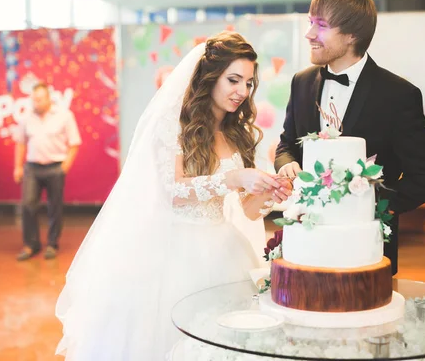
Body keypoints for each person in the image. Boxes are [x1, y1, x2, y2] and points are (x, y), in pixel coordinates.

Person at [55, 32, 291, 360]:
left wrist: (269, 192)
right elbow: (175, 193)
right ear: (210, 77)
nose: (241, 91)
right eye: (233, 80)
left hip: (224, 248)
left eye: (249, 83)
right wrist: (234, 177)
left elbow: (247, 211)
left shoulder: (236, 135)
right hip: (172, 252)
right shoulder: (175, 126)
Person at [274, 0, 425, 276]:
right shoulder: (300, 83)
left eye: (321, 25)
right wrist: (287, 164)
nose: (309, 33)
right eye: (310, 22)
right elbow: (287, 144)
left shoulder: (398, 95)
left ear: (352, 35)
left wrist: (364, 206)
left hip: (368, 251)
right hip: (306, 245)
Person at [14, 83, 81, 261]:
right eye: (34, 99)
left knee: (54, 207)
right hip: (32, 168)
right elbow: (20, 143)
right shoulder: (26, 118)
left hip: (55, 167)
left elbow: (74, 143)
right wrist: (18, 166)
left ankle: (52, 243)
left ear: (49, 98)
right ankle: (31, 244)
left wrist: (64, 167)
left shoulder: (64, 116)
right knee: (28, 205)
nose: (37, 103)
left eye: (40, 99)